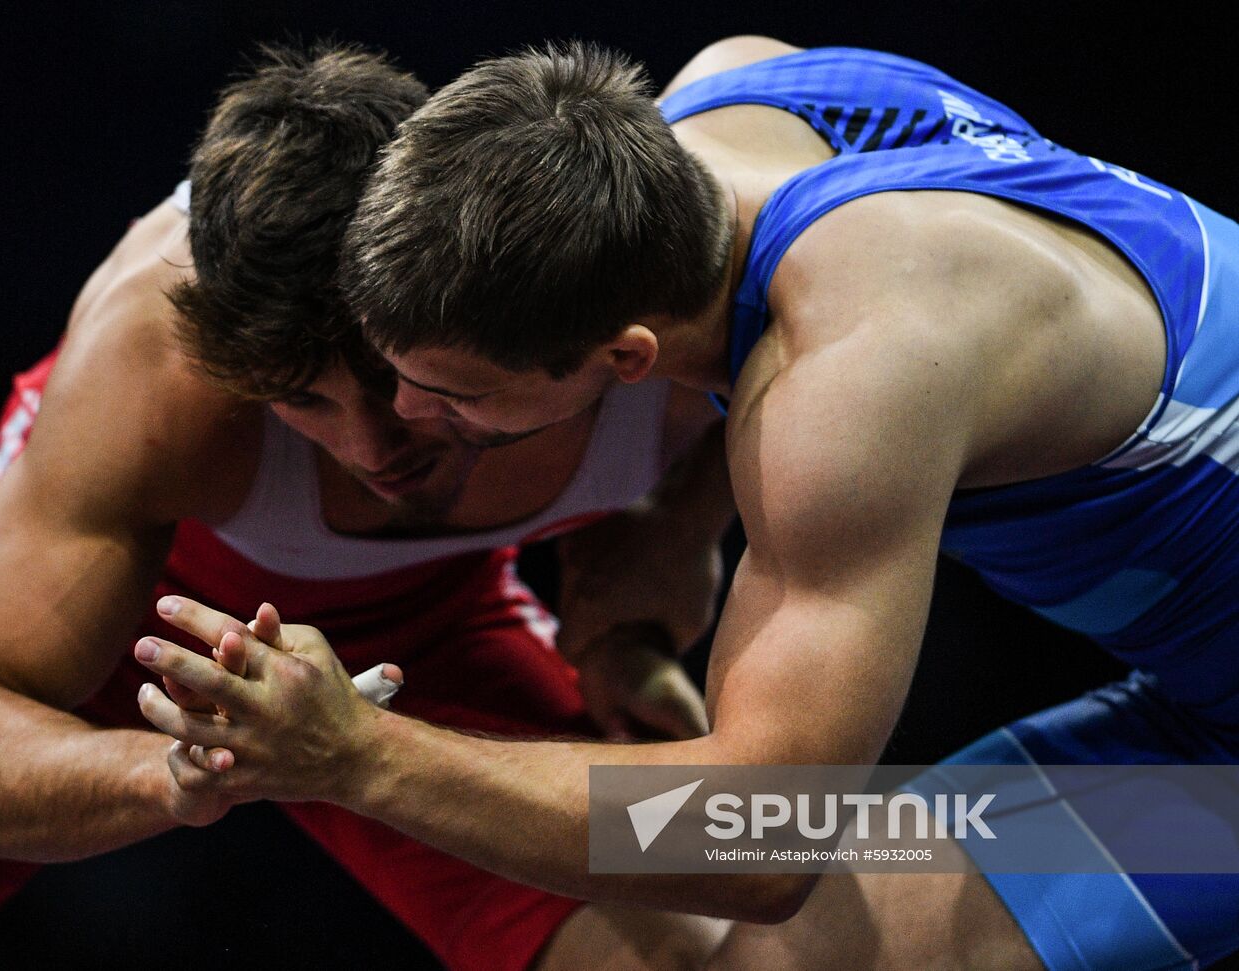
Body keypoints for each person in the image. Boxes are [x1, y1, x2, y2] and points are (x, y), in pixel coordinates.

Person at [134, 35, 1239, 970]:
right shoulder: (731, 97)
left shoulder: (855, 369)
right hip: (1196, 709)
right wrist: (671, 522)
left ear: (623, 358)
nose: (409, 422)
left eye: (455, 398)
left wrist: (356, 756)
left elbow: (755, 841)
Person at [0, 42, 734, 970]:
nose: (373, 448)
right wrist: (178, 769)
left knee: (726, 922)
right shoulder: (159, 370)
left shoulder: (665, 287)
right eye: (299, 399)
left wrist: (674, 533)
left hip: (429, 624)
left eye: (399, 382)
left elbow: (773, 842)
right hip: (139, 608)